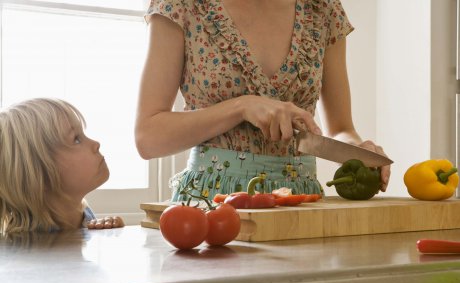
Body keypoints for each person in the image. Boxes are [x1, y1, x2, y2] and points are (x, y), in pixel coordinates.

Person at [135, 0, 391, 201]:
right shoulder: (182, 4)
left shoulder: (323, 9)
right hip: (212, 204)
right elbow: (148, 137)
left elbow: (341, 129)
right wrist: (241, 106)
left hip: (301, 202)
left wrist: (359, 150)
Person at [0, 98, 124, 234]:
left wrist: (107, 231)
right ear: (41, 176)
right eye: (76, 139)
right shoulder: (35, 245)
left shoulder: (82, 214)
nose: (96, 143)